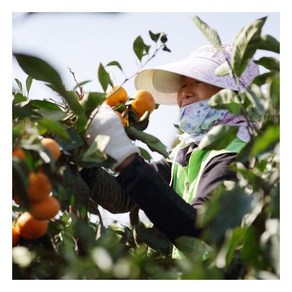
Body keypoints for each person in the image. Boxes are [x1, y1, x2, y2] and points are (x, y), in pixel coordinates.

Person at [81, 43, 260, 257]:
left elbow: (201, 233)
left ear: (232, 94)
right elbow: (121, 197)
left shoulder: (237, 155)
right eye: (183, 85)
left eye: (199, 81)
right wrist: (82, 162)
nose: (185, 91)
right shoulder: (188, 152)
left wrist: (124, 154)